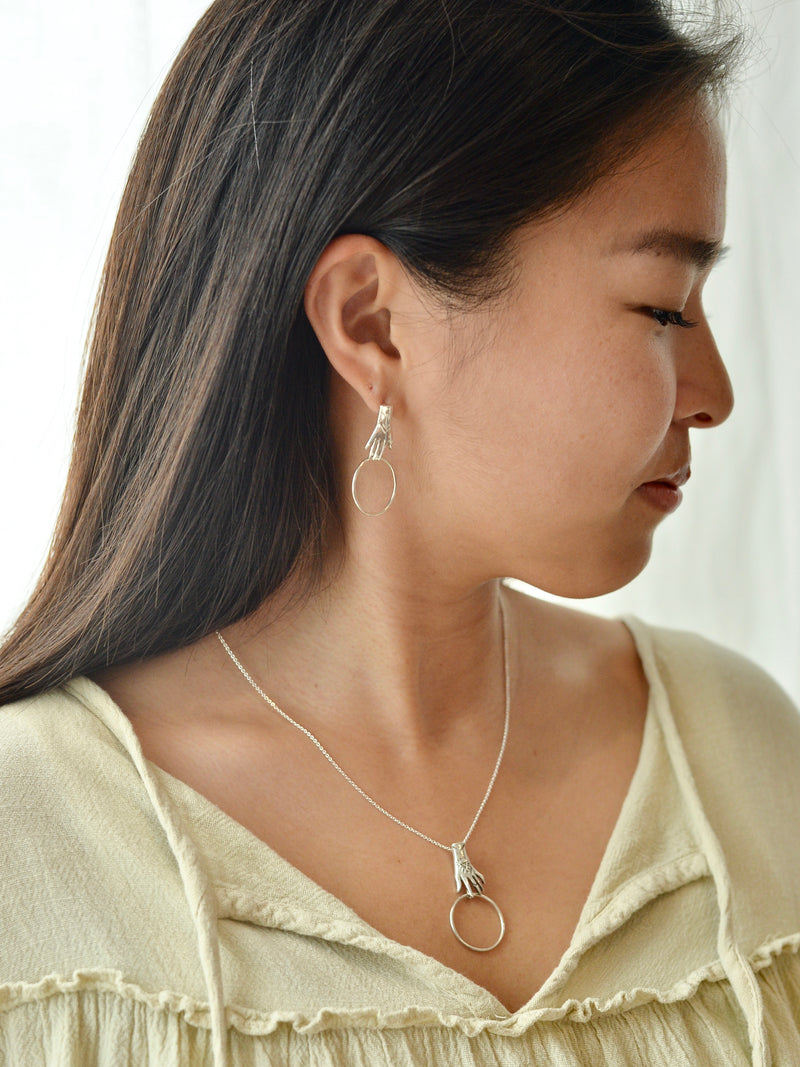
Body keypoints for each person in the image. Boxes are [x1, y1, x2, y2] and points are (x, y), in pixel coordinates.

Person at [1, 0, 798, 1064]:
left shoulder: (741, 756)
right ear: (371, 322)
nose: (715, 394)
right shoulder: (28, 842)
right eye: (662, 307)